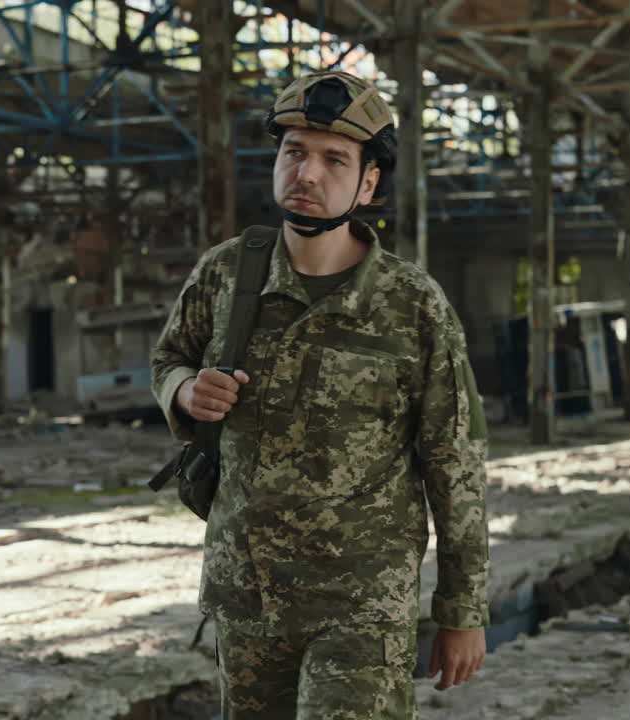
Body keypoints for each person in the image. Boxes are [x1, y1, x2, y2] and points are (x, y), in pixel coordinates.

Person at [150, 70, 490, 719]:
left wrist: (463, 609)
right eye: (293, 152)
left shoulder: (412, 304)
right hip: (247, 595)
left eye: (334, 159)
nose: (306, 173)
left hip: (362, 602)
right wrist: (186, 391)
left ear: (368, 183)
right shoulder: (225, 274)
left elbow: (456, 462)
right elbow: (169, 358)